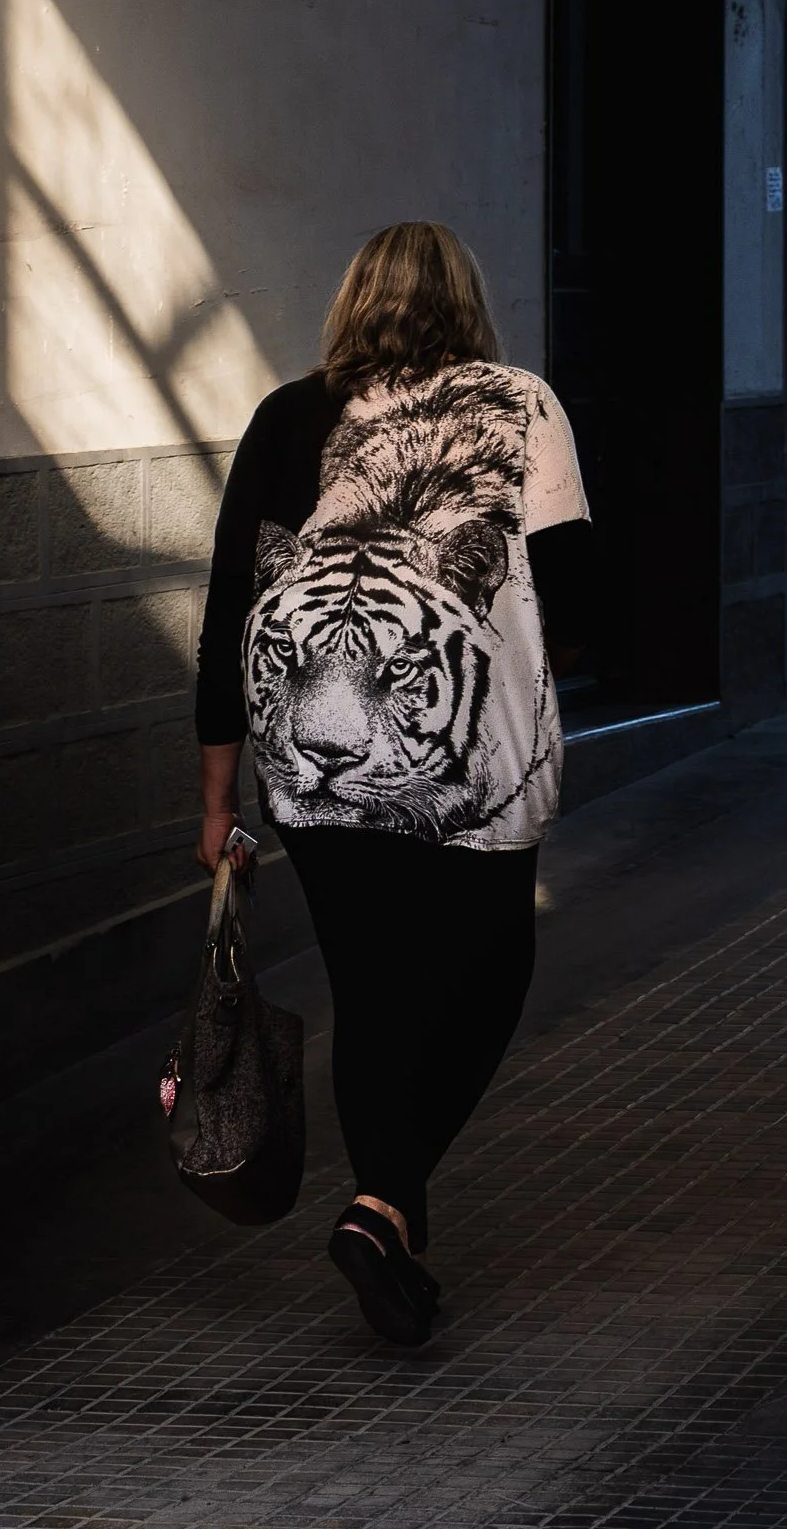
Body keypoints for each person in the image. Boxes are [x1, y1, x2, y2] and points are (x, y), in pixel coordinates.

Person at [193, 222, 591, 1348]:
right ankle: (380, 1206)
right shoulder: (524, 403)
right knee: (489, 967)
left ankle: (389, 1214)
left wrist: (216, 801)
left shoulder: (282, 416)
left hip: (304, 773)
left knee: (370, 989)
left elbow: (230, 614)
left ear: (350, 301)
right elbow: (566, 592)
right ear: (466, 303)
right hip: (465, 755)